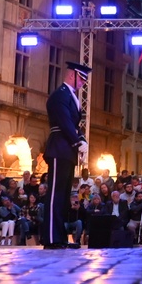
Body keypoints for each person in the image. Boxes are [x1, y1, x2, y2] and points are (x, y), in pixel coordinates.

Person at [42, 61, 90, 249]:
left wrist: (81, 139)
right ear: (73, 75)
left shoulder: (69, 96)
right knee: (55, 195)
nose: (83, 83)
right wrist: (77, 141)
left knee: (62, 196)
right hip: (59, 147)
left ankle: (59, 237)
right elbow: (64, 121)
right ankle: (52, 237)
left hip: (66, 149)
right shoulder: (59, 96)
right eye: (82, 78)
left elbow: (72, 124)